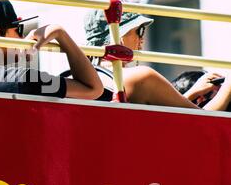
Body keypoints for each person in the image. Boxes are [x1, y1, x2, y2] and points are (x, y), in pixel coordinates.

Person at [83, 8, 231, 111]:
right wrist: (228, 85)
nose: (142, 39)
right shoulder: (141, 77)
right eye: (140, 30)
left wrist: (191, 94)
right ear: (119, 36)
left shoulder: (83, 78)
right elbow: (204, 121)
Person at [0, 0, 103, 99]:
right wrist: (60, 33)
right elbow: (93, 89)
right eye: (18, 29)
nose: (22, 38)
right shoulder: (23, 78)